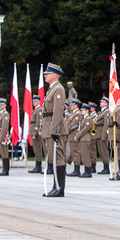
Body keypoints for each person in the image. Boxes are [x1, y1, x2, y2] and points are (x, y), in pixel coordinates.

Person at [41, 63, 68, 197]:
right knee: (53, 158)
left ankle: (59, 188)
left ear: (54, 75)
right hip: (49, 127)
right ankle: (55, 186)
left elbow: (58, 112)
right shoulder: (52, 89)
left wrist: (54, 130)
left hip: (54, 128)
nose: (45, 76)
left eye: (47, 73)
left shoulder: (58, 89)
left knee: (58, 158)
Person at [76, 104, 94, 177]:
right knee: (83, 155)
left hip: (85, 138)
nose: (81, 111)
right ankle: (86, 170)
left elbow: (85, 129)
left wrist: (77, 135)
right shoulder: (84, 118)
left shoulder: (88, 119)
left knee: (86, 155)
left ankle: (88, 171)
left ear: (87, 111)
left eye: (83, 110)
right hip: (82, 138)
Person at [0, 98, 11, 176]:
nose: (0, 106)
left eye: (1, 105)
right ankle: (4, 169)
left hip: (2, 137)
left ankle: (6, 170)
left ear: (5, 105)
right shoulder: (0, 114)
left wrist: (0, 138)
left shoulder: (5, 115)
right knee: (2, 153)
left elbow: (4, 128)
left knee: (4, 154)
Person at [28, 95, 44, 174]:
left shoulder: (39, 110)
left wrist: (35, 133)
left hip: (36, 132)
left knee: (38, 150)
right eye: (33, 101)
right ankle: (37, 165)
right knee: (35, 150)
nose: (34, 103)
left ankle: (39, 166)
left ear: (39, 101)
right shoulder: (35, 110)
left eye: (35, 101)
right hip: (33, 131)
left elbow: (38, 122)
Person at [67, 99, 83, 177]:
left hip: (73, 135)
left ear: (76, 105)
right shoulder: (73, 114)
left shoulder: (77, 114)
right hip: (71, 135)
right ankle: (75, 169)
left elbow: (73, 125)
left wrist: (66, 131)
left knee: (75, 152)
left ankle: (77, 170)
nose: (71, 106)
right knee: (73, 152)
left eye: (72, 105)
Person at [96, 97, 111, 175]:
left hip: (102, 133)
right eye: (100, 102)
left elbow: (106, 124)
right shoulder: (101, 112)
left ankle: (106, 167)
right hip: (98, 133)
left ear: (106, 103)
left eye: (102, 102)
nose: (100, 103)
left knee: (104, 150)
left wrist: (104, 134)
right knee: (101, 151)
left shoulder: (106, 111)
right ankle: (104, 166)